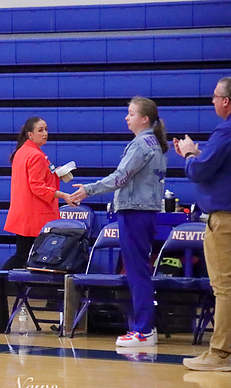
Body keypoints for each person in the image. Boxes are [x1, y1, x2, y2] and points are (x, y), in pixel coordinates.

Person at [70, 96, 168, 347]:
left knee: (137, 272)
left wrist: (88, 190)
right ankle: (146, 327)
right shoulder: (154, 143)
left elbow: (120, 177)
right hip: (144, 213)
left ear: (144, 119)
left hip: (134, 213)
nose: (127, 117)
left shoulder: (141, 144)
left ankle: (143, 330)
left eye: (131, 113)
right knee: (139, 270)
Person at [175, 77, 231, 371]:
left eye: (215, 97)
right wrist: (200, 155)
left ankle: (219, 354)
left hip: (228, 220)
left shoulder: (228, 130)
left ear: (226, 101)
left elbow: (200, 172)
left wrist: (190, 154)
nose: (212, 101)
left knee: (225, 287)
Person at [2, 117, 75, 270]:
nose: (45, 133)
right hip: (35, 215)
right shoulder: (37, 155)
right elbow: (37, 187)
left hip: (23, 213)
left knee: (24, 255)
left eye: (46, 129)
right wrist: (63, 195)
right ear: (30, 135)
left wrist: (54, 174)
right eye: (40, 130)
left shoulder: (22, 152)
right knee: (27, 256)